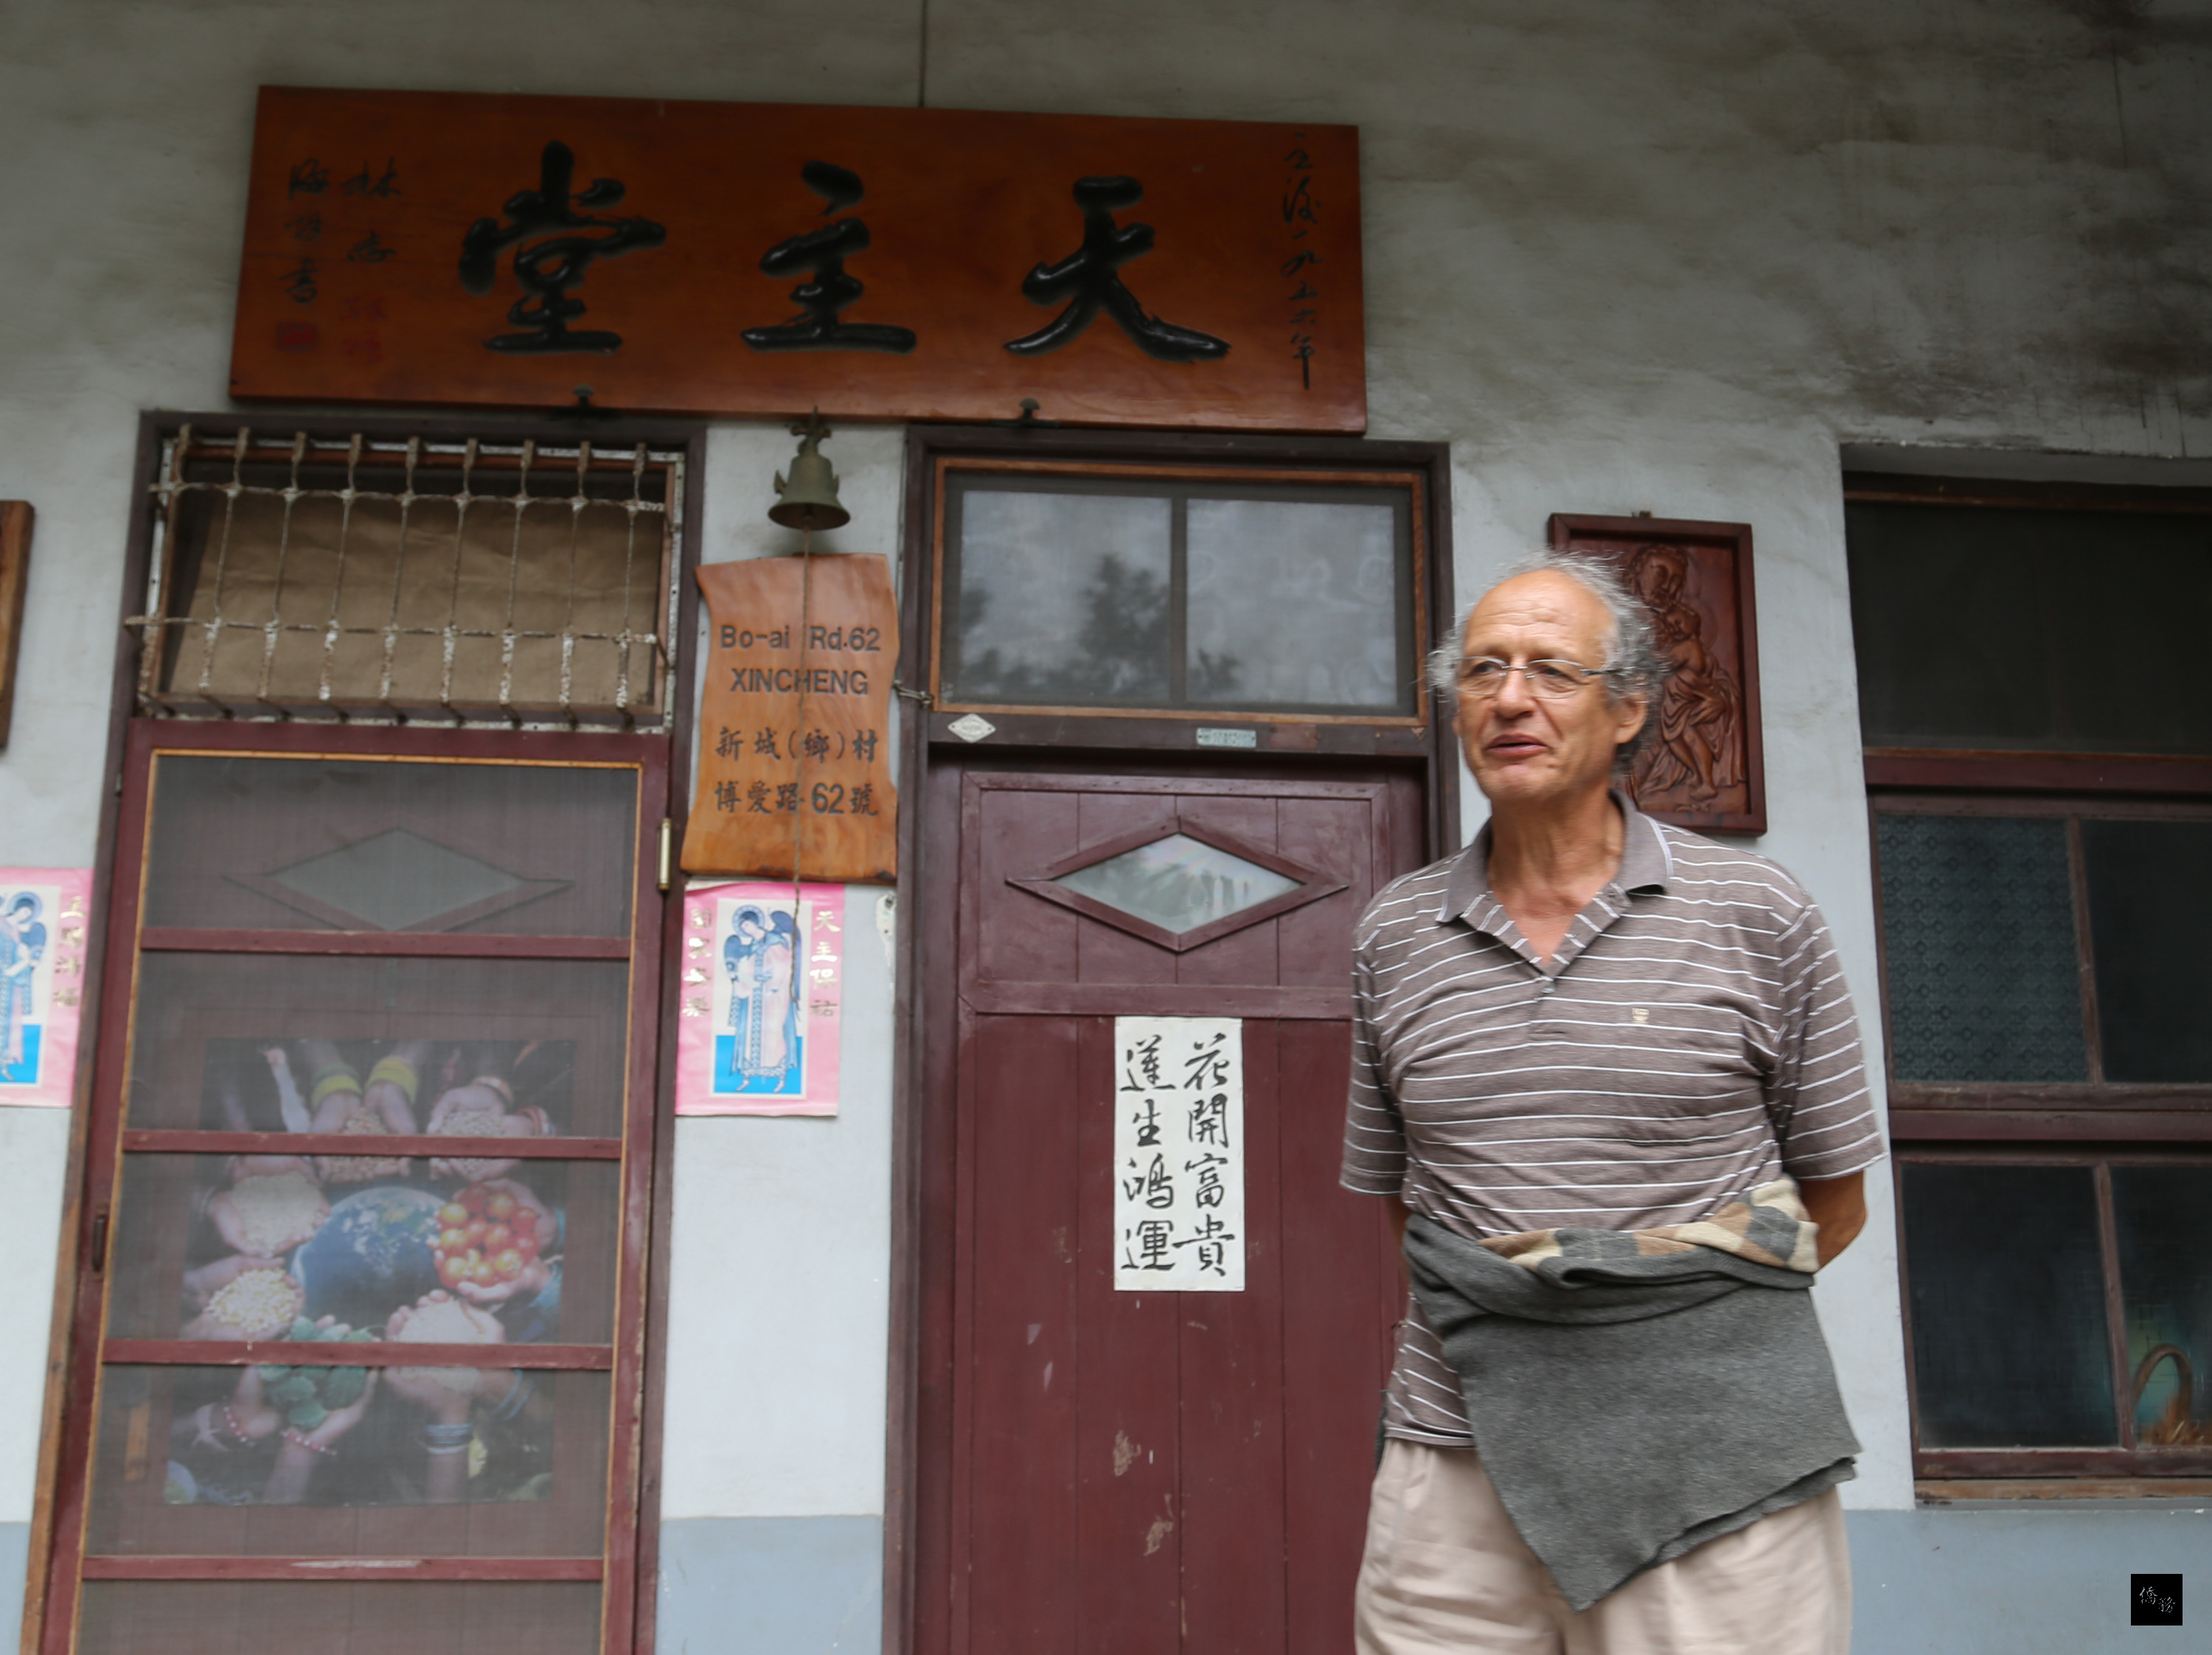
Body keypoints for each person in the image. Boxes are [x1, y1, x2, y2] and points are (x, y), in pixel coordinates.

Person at [1342, 551, 1882, 1655]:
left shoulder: (1755, 909)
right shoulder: (1395, 933)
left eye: (1551, 670)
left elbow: (1835, 1198)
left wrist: (1644, 1336)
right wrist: (1525, 1319)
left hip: (1716, 1470)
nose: (1509, 698)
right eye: (1482, 671)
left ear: (1629, 706)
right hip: (1455, 1462)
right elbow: (1408, 1205)